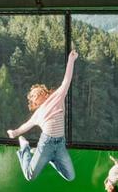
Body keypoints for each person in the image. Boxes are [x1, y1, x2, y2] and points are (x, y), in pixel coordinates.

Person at [6, 50, 79, 182]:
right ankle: (25, 148)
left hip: (60, 144)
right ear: (34, 103)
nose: (34, 95)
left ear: (44, 93)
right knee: (29, 176)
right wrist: (14, 133)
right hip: (46, 144)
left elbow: (66, 81)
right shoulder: (38, 113)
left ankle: (51, 159)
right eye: (32, 96)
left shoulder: (56, 97)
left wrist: (71, 60)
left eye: (36, 92)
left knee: (70, 176)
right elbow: (25, 126)